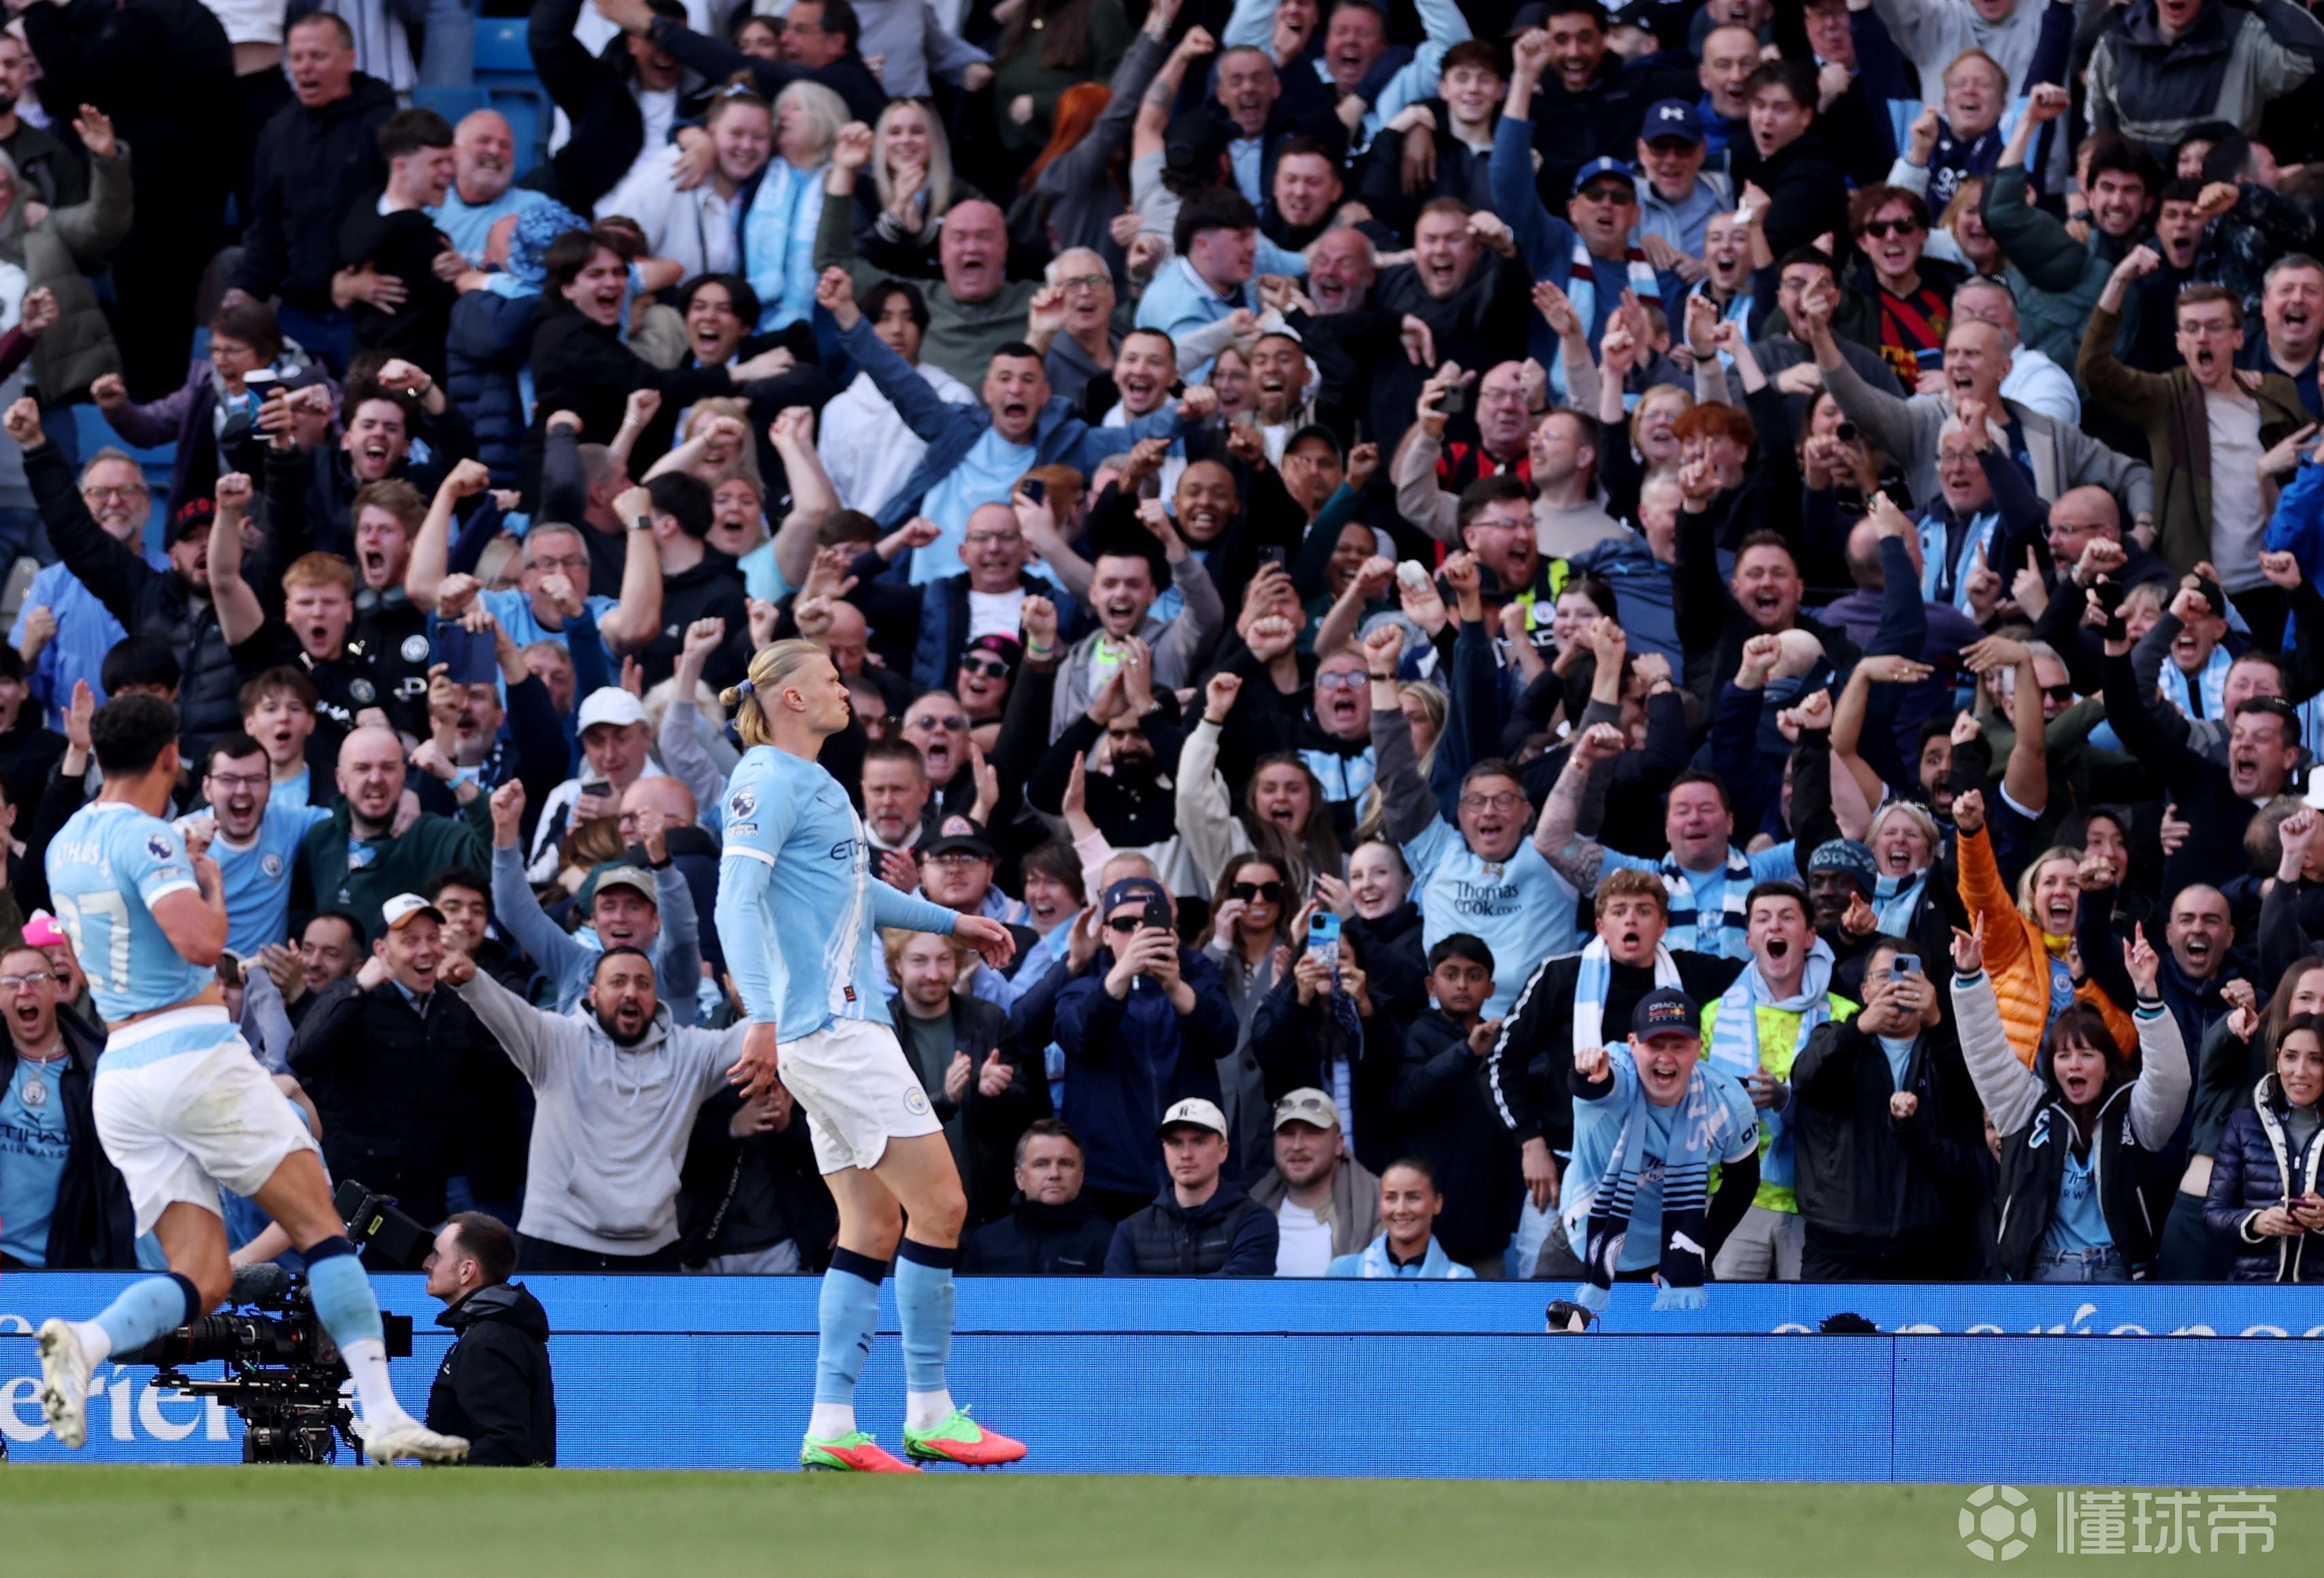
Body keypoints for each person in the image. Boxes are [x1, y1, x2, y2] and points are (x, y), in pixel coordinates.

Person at [34, 693, 464, 1464]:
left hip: (122, 1070)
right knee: (322, 1223)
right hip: (191, 1049)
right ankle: (381, 1414)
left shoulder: (67, 841)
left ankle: (87, 1342)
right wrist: (208, 881)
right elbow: (202, 944)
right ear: (172, 757)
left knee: (202, 1274)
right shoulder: (148, 838)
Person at [712, 638, 1023, 1473]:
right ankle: (930, 1411)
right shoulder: (767, 778)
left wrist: (950, 922)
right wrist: (762, 1015)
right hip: (833, 1029)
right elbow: (734, 902)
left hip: (833, 1030)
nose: (844, 691)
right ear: (792, 699)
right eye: (830, 680)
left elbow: (850, 891)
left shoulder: (809, 782)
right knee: (942, 1205)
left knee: (874, 1222)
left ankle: (831, 1425)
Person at [1952, 915, 2190, 1282]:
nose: (2074, 1065)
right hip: (2042, 1273)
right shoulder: (2025, 1109)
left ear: (2108, 1066)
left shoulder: (2134, 1114)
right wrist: (1969, 978)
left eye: (2087, 1054)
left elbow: (2170, 1080)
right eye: (2063, 1055)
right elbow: (1985, 1052)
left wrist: (2148, 994)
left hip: (2118, 1271)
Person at [284, 893, 514, 1227]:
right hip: (355, 1195)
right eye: (410, 941)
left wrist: (475, 985)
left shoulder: (452, 1003)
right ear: (381, 950)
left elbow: (496, 1072)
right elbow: (301, 1055)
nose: (426, 950)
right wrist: (358, 988)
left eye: (433, 938)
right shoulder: (352, 996)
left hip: (428, 1196)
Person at [1564, 986, 1763, 1311]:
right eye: (1655, 1045)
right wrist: (1584, 1070)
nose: (1666, 1058)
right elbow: (1591, 1085)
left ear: (1699, 1048)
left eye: (1679, 1045)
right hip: (1583, 1246)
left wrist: (1698, 1255)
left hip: (1668, 1254)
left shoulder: (1728, 1103)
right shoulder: (1614, 1075)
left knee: (1685, 1345)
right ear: (1632, 1045)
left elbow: (1742, 1184)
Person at [0, 942, 135, 1269]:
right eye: (11, 982)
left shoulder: (96, 1070)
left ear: (56, 989)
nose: (24, 990)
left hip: (65, 1264)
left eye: (35, 978)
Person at [422, 1211, 557, 1466]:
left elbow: (504, 1447)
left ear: (466, 1271)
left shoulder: (489, 1341)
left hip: (482, 1492)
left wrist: (449, 1480)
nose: (427, 1264)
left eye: (437, 1256)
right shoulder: (495, 1331)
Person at [2205, 1010, 2324, 1281]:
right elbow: (2213, 1214)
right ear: (2278, 1059)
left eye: (2316, 1059)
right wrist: (2257, 1222)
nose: (2300, 1072)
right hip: (2255, 1292)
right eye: (2291, 1057)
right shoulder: (2244, 1124)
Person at [1103, 1096, 1280, 1275]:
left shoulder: (1254, 1221)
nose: (1186, 1154)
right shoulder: (1131, 1230)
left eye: (1198, 1142)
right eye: (1176, 1143)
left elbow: (1239, 1289)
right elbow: (1115, 1292)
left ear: (1223, 1151)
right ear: (1164, 1151)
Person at [1247, 1088, 1380, 1277]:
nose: (1297, 1146)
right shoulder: (1248, 1212)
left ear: (1338, 1144)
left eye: (1312, 1133)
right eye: (1287, 1134)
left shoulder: (1380, 1208)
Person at [959, 1119, 1116, 1273]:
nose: (1054, 1174)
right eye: (1041, 1164)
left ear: (1081, 1176)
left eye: (1065, 1164)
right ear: (1020, 1178)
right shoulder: (986, 1242)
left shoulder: (1109, 1242)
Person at [1328, 1157, 1476, 1279]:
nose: (1401, 1210)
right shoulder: (1344, 1272)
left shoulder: (1461, 1280)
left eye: (1413, 1198)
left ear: (1437, 1204)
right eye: (1391, 1198)